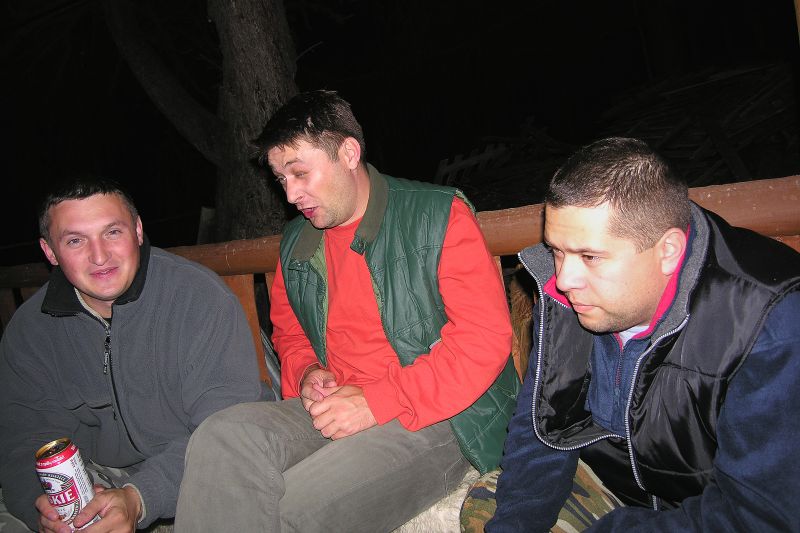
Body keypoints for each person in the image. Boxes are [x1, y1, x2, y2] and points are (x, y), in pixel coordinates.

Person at [173, 89, 520, 532]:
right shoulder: (297, 243)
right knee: (220, 437)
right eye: (281, 179)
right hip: (336, 403)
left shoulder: (437, 216)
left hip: (442, 414)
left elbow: (482, 341)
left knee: (290, 509)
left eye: (300, 173)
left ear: (349, 154)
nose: (291, 194)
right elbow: (290, 334)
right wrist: (307, 371)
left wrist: (377, 402)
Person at [486, 137, 800, 531]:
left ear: (668, 251)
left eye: (590, 256)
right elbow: (541, 431)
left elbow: (759, 516)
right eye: (557, 251)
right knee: (486, 502)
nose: (563, 280)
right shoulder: (568, 296)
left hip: (714, 508)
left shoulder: (771, 323)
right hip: (618, 489)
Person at [0, 179, 267, 532]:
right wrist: (42, 509)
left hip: (194, 471)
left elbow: (224, 430)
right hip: (97, 476)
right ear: (49, 252)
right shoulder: (30, 330)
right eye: (75, 241)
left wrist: (140, 496)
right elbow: (23, 439)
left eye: (112, 232)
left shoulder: (199, 298)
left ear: (138, 231)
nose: (100, 256)